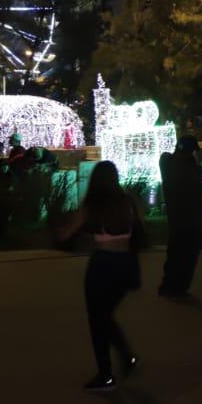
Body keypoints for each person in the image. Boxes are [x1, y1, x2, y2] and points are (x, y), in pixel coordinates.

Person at [60, 160, 144, 391]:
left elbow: (66, 233)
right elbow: (138, 230)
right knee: (104, 316)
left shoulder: (93, 206)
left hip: (103, 266)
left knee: (98, 319)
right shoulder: (128, 202)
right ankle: (127, 358)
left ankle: (106, 374)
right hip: (125, 264)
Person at [158, 136, 202, 298]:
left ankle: (168, 286)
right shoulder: (190, 169)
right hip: (191, 218)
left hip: (176, 217)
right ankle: (179, 288)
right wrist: (196, 165)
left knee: (174, 254)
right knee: (188, 256)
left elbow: (168, 157)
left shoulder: (166, 161)